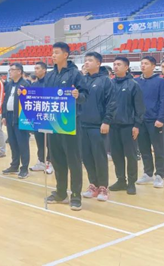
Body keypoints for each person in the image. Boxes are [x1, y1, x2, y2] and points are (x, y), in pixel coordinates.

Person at [44, 42, 88, 211]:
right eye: (52, 53)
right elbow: (43, 95)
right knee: (57, 160)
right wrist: (25, 93)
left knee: (74, 161)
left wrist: (78, 95)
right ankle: (61, 193)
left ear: (65, 55)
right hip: (53, 123)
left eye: (56, 52)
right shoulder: (50, 75)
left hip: (70, 124)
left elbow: (85, 94)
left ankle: (76, 196)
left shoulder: (75, 74)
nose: (53, 55)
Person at [80, 52, 115, 202]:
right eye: (85, 60)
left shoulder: (105, 81)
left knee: (99, 157)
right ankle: (93, 185)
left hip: (98, 125)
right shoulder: (81, 80)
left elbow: (111, 103)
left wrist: (106, 121)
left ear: (98, 63)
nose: (86, 63)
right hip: (82, 125)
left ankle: (103, 187)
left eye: (90, 60)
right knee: (87, 157)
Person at [109, 56, 145, 196]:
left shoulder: (133, 84)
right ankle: (120, 180)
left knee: (131, 156)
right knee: (116, 155)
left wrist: (137, 125)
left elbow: (139, 107)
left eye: (119, 64)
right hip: (113, 126)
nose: (115, 66)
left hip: (128, 126)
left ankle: (131, 182)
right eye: (114, 64)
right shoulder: (110, 84)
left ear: (126, 67)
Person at [135, 56, 164, 188]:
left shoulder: (160, 81)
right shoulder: (136, 81)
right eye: (142, 63)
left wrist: (161, 118)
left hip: (154, 120)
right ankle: (147, 173)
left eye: (146, 63)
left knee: (158, 148)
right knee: (144, 149)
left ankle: (159, 174)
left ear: (153, 66)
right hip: (140, 121)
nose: (143, 66)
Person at [2, 63, 30, 179]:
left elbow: (29, 100)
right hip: (9, 116)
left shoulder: (25, 84)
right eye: (9, 70)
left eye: (12, 70)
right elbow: (5, 100)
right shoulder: (9, 84)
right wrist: (4, 115)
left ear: (19, 71)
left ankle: (24, 168)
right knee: (13, 143)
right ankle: (14, 165)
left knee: (22, 143)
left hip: (20, 117)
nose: (10, 72)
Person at [29, 61, 53, 174]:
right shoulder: (34, 85)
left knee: (49, 142)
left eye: (38, 68)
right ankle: (41, 161)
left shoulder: (51, 83)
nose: (35, 70)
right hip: (38, 118)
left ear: (44, 70)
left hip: (49, 117)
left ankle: (50, 163)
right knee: (39, 141)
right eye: (35, 68)